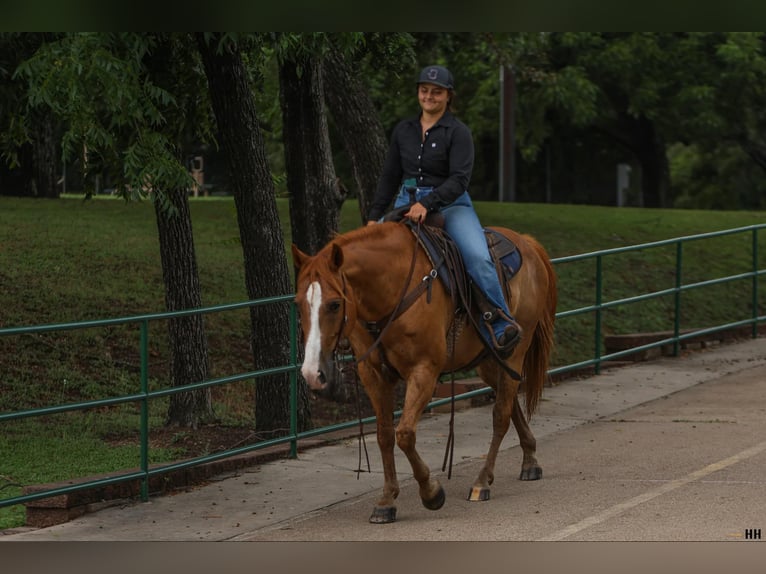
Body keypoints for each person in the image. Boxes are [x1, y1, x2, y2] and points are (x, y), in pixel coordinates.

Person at [366, 64, 521, 357]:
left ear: (448, 96)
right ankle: (363, 326)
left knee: (477, 256)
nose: (429, 96)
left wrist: (428, 203)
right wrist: (374, 218)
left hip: (451, 205)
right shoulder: (404, 130)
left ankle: (500, 322)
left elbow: (460, 179)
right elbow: (389, 176)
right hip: (406, 204)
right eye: (424, 90)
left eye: (436, 92)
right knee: (374, 256)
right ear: (418, 93)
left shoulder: (458, 132)